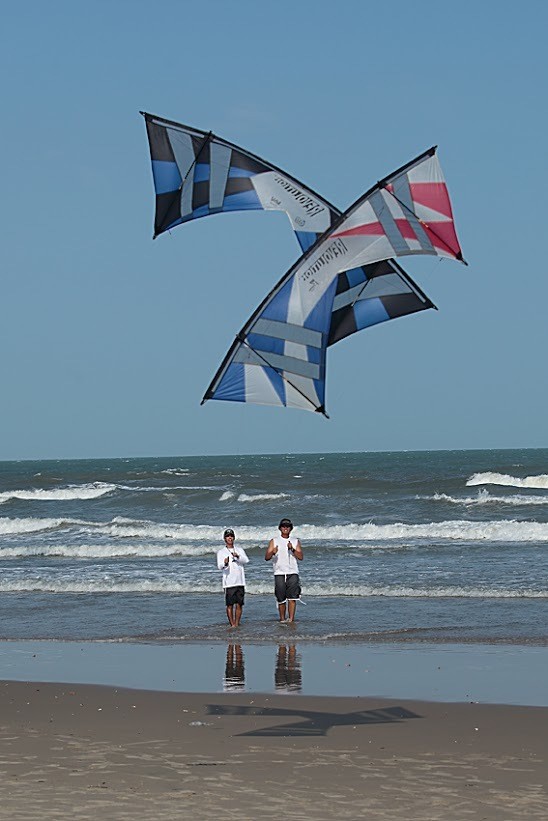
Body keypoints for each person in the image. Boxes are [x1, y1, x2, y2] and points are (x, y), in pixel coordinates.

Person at [265, 518, 303, 623]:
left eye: (287, 526)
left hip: (293, 572)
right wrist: (273, 552)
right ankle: (282, 619)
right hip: (279, 573)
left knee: (292, 598)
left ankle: (291, 619)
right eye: (283, 526)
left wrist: (292, 549)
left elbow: (300, 557)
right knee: (281, 598)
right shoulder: (274, 541)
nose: (285, 528)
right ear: (280, 528)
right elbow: (267, 557)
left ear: (291, 528)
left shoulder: (295, 541)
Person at [217, 528, 249, 627]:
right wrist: (225, 563)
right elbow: (220, 566)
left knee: (239, 604)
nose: (229, 538)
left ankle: (237, 623)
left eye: (231, 536)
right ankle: (232, 624)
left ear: (234, 538)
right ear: (224, 539)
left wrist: (238, 557)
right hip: (229, 582)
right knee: (229, 604)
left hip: (240, 581)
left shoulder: (239, 550)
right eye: (227, 536)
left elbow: (246, 560)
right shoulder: (221, 552)